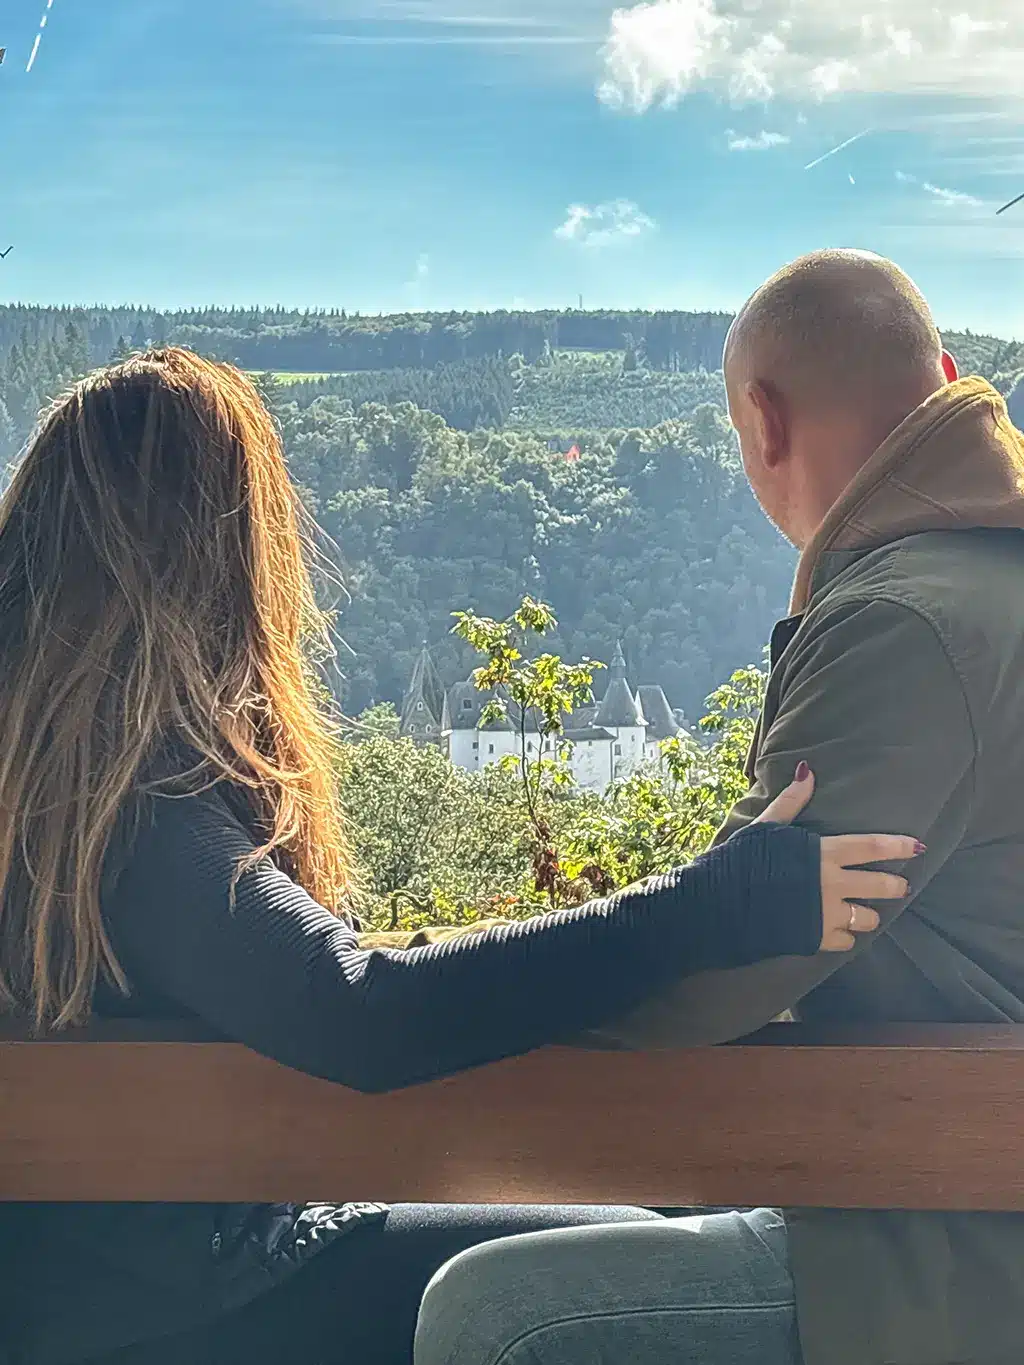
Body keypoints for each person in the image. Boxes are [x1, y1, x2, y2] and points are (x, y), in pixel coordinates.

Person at [0, 347, 914, 1365]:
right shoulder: (130, 800)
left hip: (96, 1284)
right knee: (629, 1277)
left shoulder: (53, 787)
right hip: (182, 1296)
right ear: (216, 549)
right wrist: (713, 906)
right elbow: (353, 1007)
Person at [415, 249, 1024, 1365]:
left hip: (945, 1248)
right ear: (940, 371)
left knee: (495, 1315)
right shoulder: (980, 584)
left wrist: (447, 982)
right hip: (928, 1187)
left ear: (761, 420)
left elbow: (720, 972)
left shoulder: (903, 625)